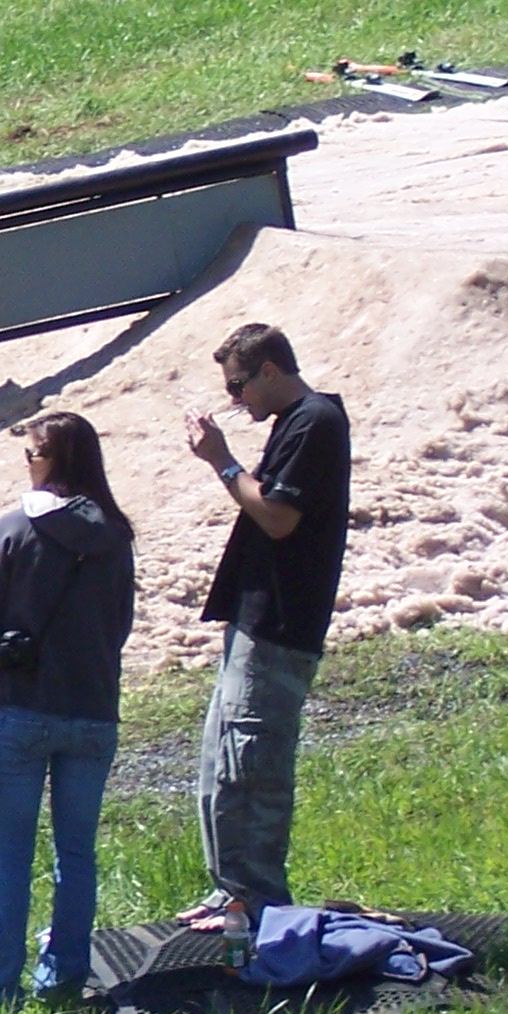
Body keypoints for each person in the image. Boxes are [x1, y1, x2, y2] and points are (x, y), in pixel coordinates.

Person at [0, 410, 137, 1010]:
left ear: (53, 460)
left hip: (23, 709)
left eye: (31, 454)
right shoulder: (115, 535)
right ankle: (62, 980)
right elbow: (121, 627)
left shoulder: (15, 528)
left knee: (11, 856)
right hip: (94, 712)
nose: (26, 464)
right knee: (76, 854)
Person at [180, 321, 351, 936]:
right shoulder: (292, 422)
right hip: (256, 620)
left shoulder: (315, 422)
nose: (235, 399)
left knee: (252, 764)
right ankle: (231, 891)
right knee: (221, 762)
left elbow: (278, 517)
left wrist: (222, 461)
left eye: (238, 386)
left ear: (270, 371)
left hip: (281, 623)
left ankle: (256, 899)